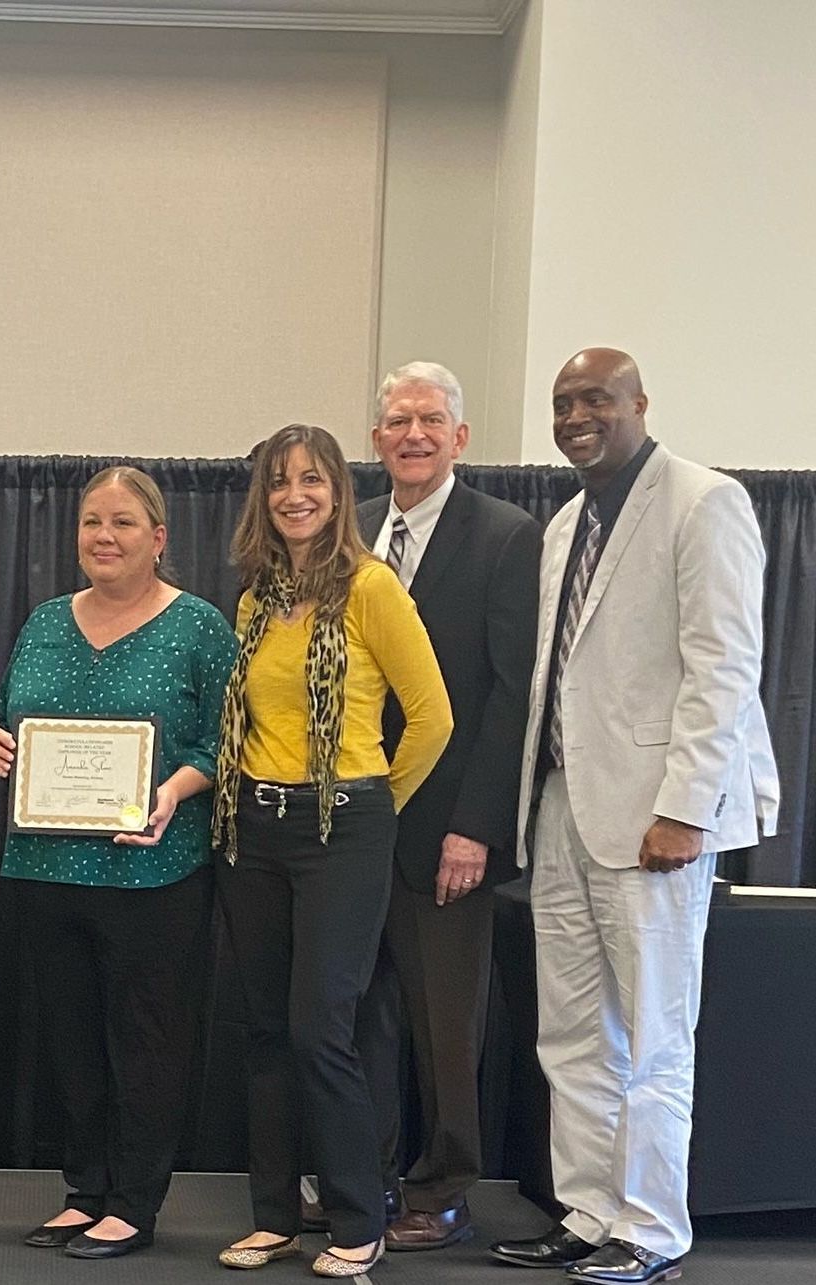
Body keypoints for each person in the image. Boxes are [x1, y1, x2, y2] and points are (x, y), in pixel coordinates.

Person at [490, 349, 779, 1283]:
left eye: (596, 399)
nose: (577, 415)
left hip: (655, 816)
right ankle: (587, 1210)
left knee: (652, 1032)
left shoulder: (703, 501)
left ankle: (651, 1227)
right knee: (571, 1031)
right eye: (563, 402)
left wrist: (686, 810)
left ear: (638, 404)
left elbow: (724, 668)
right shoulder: (567, 522)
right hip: (565, 806)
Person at [0, 466, 237, 1261]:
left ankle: (133, 1199)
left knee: (145, 1040)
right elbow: (8, 719)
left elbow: (227, 740)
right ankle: (83, 1188)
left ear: (158, 539)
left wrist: (174, 789)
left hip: (152, 871)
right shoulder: (46, 621)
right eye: (92, 521)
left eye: (123, 523)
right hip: (45, 868)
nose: (103, 536)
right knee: (70, 1041)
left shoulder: (198, 626)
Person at [212, 423, 452, 1278]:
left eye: (310, 479)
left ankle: (359, 1214)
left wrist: (374, 801)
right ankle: (273, 1217)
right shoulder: (254, 597)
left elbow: (432, 717)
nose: (294, 495)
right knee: (266, 1029)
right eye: (278, 482)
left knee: (322, 1028)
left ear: (337, 491)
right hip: (254, 828)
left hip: (341, 825)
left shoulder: (373, 589)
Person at [349, 362, 540, 1250]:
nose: (412, 434)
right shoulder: (344, 534)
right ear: (377, 438)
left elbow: (512, 697)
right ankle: (368, 1176)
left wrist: (476, 825)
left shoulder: (506, 538)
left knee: (444, 1026)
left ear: (459, 437)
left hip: (446, 834)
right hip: (348, 830)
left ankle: (443, 1185)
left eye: (430, 419)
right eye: (397, 420)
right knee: (358, 1018)